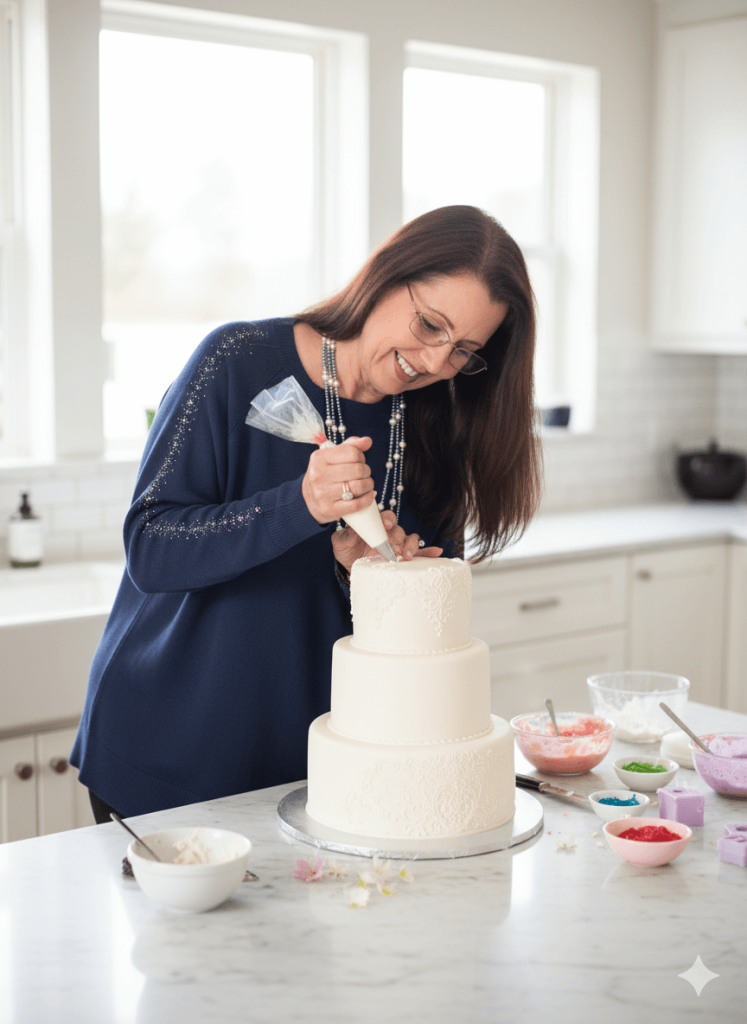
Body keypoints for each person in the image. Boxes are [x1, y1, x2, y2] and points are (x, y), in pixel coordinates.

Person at [71, 205, 542, 822]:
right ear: (385, 273)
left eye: (463, 352)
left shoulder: (441, 425)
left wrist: (368, 575)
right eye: (430, 325)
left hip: (325, 774)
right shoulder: (235, 361)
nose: (433, 363)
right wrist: (300, 504)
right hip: (171, 753)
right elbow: (151, 549)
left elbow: (414, 644)